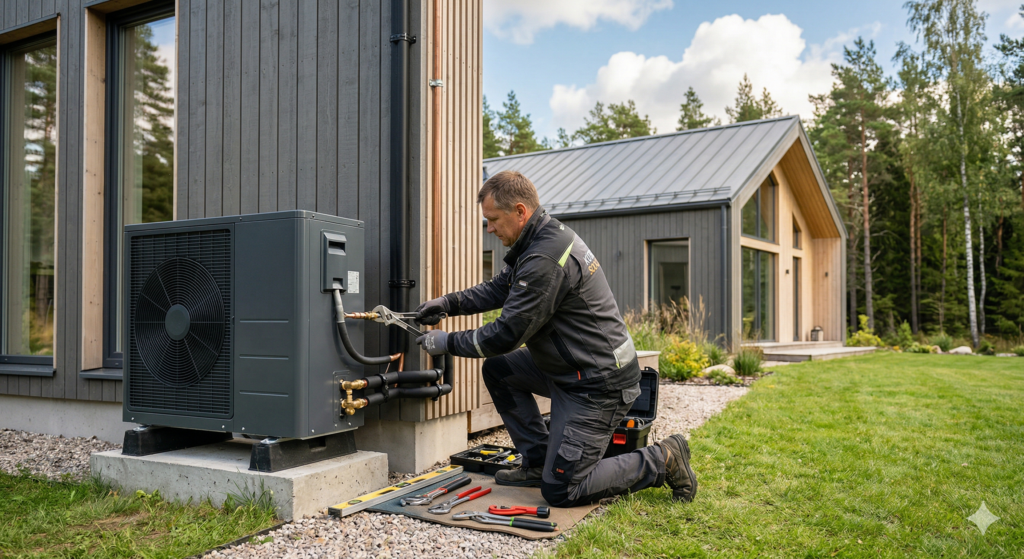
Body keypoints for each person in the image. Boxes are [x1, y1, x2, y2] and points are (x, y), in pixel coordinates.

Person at [414, 170, 697, 507]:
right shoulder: (538, 240)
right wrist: (448, 303)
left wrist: (447, 342)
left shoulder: (546, 257)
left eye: (493, 219)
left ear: (520, 211)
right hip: (570, 367)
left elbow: (505, 334)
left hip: (597, 384)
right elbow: (499, 288)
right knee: (500, 370)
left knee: (563, 490)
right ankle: (538, 461)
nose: (489, 228)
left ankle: (663, 457)